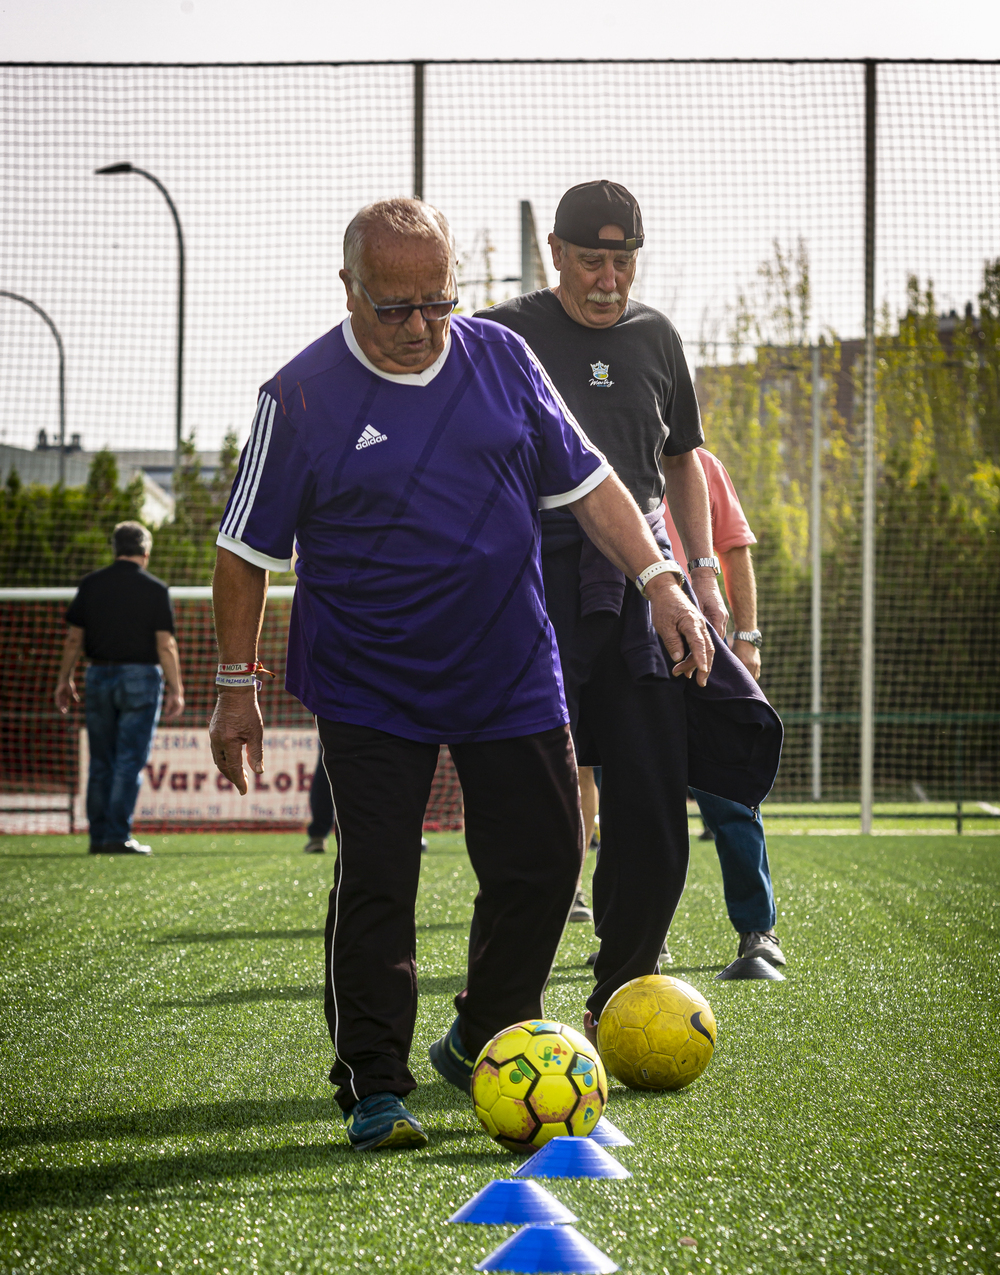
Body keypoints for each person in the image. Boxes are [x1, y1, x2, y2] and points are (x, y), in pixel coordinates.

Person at [208, 197, 715, 1152]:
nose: (417, 328)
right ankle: (374, 1083)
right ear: (349, 289)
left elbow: (594, 482)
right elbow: (243, 551)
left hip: (510, 663)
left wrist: (662, 580)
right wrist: (237, 686)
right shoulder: (302, 397)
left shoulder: (502, 360)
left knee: (546, 859)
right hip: (371, 680)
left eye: (436, 303)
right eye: (391, 307)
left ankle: (489, 1033)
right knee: (379, 879)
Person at [478, 180, 782, 1036]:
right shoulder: (502, 335)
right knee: (536, 807)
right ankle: (500, 1013)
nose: (609, 279)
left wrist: (701, 576)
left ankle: (620, 993)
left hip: (646, 584)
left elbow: (683, 460)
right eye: (591, 260)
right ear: (557, 257)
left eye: (623, 260)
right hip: (533, 583)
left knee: (652, 803)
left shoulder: (657, 337)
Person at [661, 449, 785, 968]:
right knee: (635, 800)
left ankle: (758, 930)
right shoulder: (603, 450)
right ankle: (634, 936)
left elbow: (733, 549)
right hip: (628, 641)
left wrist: (748, 638)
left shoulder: (700, 465)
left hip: (708, 647)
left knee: (729, 793)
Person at [54, 520, 185, 855]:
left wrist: (63, 679)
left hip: (97, 677)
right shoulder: (155, 589)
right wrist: (176, 689)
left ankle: (98, 837)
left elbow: (73, 639)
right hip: (141, 679)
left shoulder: (91, 584)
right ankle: (117, 835)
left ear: (115, 549)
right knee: (129, 761)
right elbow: (165, 645)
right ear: (146, 551)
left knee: (101, 761)